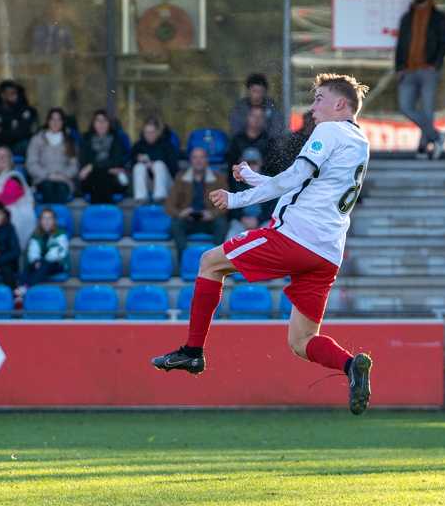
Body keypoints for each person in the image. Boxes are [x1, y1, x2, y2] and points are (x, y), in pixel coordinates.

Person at [151, 74, 374, 417]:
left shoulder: (329, 131)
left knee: (210, 262)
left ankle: (193, 351)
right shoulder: (359, 141)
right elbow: (305, 187)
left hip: (295, 237)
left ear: (339, 104)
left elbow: (295, 178)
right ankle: (351, 366)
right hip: (327, 254)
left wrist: (236, 198)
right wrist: (254, 178)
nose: (312, 108)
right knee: (301, 342)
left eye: (318, 100)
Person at [395, 0, 445, 160]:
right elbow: (401, 45)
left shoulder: (438, 16)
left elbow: (444, 42)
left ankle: (422, 149)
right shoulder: (407, 17)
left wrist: (436, 64)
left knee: (427, 110)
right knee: (405, 106)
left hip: (428, 69)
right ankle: (437, 137)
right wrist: (398, 68)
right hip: (408, 69)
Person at [165, 146, 229, 260]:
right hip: (188, 219)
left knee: (222, 224)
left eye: (202, 157)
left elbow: (227, 203)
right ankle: (184, 262)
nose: (198, 160)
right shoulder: (180, 178)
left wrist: (212, 213)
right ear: (190, 161)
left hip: (210, 219)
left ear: (207, 160)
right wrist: (181, 213)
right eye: (195, 157)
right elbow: (168, 205)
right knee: (176, 225)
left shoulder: (219, 178)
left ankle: (216, 263)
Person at [13, 206, 70, 309]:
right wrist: (36, 261)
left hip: (58, 263)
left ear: (55, 220)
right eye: (44, 218)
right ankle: (20, 296)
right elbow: (32, 250)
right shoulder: (36, 234)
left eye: (50, 218)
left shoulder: (61, 233)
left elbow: (58, 252)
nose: (47, 221)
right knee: (29, 267)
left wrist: (42, 262)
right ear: (39, 221)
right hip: (41, 264)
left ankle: (23, 289)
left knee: (44, 265)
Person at [25, 108, 79, 204]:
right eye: (52, 119)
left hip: (64, 179)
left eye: (58, 119)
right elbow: (31, 163)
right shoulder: (37, 140)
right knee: (47, 187)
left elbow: (74, 165)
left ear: (63, 122)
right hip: (42, 178)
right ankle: (47, 218)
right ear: (48, 121)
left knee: (61, 189)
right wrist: (47, 175)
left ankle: (59, 217)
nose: (55, 122)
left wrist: (64, 175)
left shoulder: (70, 141)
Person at [78, 110, 128, 204]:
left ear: (109, 123)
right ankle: (108, 212)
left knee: (101, 177)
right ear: (93, 123)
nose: (101, 124)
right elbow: (84, 161)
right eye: (98, 120)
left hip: (113, 179)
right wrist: (105, 167)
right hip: (91, 179)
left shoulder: (116, 139)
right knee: (99, 176)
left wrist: (92, 166)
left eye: (104, 120)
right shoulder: (86, 139)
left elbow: (115, 161)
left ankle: (97, 214)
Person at [129, 115, 179, 204]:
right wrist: (137, 160)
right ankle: (141, 199)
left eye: (152, 132)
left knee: (159, 165)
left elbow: (174, 168)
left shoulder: (167, 146)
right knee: (139, 167)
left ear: (158, 132)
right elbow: (131, 168)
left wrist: (154, 165)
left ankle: (160, 198)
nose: (149, 135)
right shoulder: (139, 146)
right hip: (149, 184)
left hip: (165, 184)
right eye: (147, 132)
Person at [225, 148, 271, 241]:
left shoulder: (268, 181)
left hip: (263, 221)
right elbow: (230, 205)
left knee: (271, 235)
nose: (251, 167)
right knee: (231, 237)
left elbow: (272, 207)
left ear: (260, 163)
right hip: (241, 221)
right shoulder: (236, 182)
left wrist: (259, 220)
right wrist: (242, 218)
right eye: (248, 164)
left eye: (254, 163)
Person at [0, 80, 37, 159]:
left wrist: (3, 131)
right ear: (3, 95)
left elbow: (23, 133)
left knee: (27, 144)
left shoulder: (23, 109)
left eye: (16, 93)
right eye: (12, 94)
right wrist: (11, 132)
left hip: (15, 146)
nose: (15, 96)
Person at [229, 74, 285, 141]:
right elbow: (235, 131)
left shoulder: (272, 107)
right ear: (248, 91)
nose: (258, 95)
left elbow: (277, 131)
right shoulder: (240, 108)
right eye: (254, 91)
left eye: (261, 91)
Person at [225, 106, 277, 177]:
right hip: (240, 181)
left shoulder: (269, 141)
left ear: (264, 120)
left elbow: (274, 166)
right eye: (253, 115)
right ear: (248, 118)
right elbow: (231, 162)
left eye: (260, 116)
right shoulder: (237, 140)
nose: (256, 119)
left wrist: (262, 164)